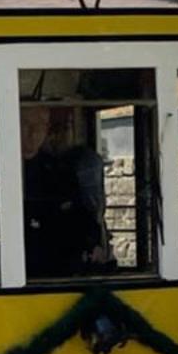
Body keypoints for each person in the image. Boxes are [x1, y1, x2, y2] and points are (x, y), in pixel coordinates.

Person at [23, 106, 108, 280]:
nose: (33, 133)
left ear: (46, 131)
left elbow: (81, 214)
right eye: (26, 124)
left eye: (40, 125)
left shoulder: (59, 172)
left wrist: (93, 243)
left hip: (59, 272)